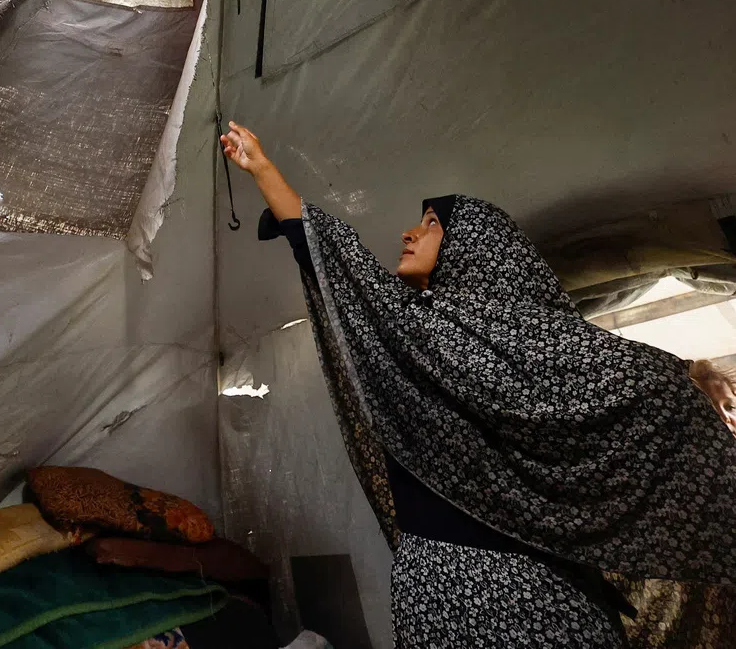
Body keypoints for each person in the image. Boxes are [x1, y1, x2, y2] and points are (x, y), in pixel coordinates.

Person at [219, 122, 736, 649]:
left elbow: (636, 380)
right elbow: (347, 274)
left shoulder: (520, 340)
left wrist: (688, 380)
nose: (410, 233)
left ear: (476, 247)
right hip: (440, 588)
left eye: (431, 224)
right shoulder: (418, 337)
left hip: (522, 596)